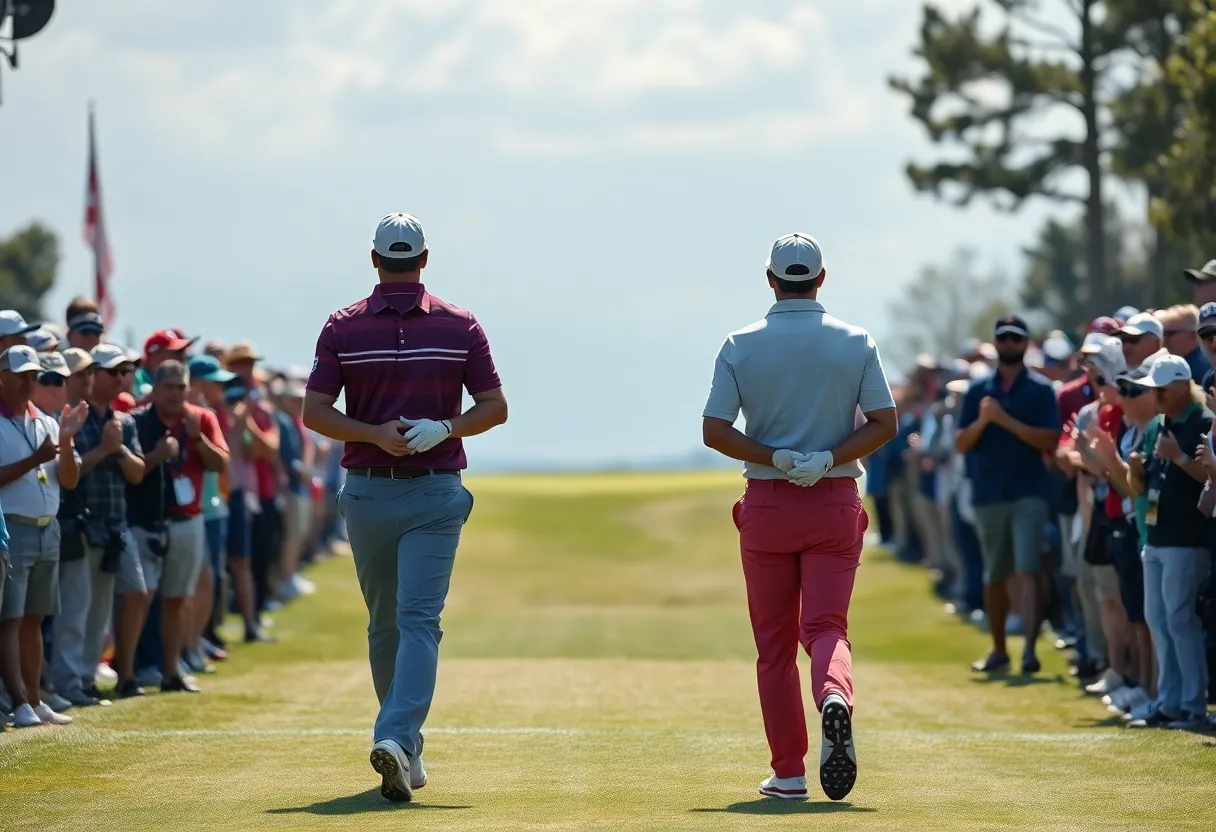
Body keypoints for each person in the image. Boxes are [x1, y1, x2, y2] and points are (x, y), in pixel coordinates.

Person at [302, 212, 508, 803]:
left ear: (374, 260)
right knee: (407, 622)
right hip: (419, 486)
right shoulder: (458, 323)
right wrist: (443, 426)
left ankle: (393, 734)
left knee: (397, 621)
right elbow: (494, 407)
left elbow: (315, 413)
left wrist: (386, 432)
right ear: (424, 259)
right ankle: (406, 744)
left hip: (387, 490)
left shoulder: (344, 325)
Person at [701, 233, 897, 802]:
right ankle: (834, 693)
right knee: (826, 627)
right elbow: (884, 422)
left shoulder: (740, 344)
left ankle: (789, 772)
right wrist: (828, 457)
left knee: (774, 644)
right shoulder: (855, 341)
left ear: (770, 280)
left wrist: (777, 457)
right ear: (821, 278)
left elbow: (715, 431)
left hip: (767, 502)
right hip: (835, 498)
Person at [957, 316, 1061, 675]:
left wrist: (1004, 421)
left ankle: (1030, 650)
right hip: (989, 492)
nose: (1010, 343)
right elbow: (961, 443)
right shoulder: (977, 391)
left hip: (1029, 490)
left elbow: (1050, 440)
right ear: (996, 341)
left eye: (1017, 338)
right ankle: (999, 650)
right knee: (995, 573)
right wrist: (985, 421)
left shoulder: (1042, 390)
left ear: (1026, 343)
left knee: (1028, 568)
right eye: (1004, 337)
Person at [127, 361, 228, 693]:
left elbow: (221, 464)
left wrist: (198, 440)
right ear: (155, 390)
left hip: (188, 519)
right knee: (140, 597)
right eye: (168, 387)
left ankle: (171, 671)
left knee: (177, 597)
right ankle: (128, 673)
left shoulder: (201, 418)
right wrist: (158, 454)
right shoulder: (138, 421)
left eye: (181, 387)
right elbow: (133, 471)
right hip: (146, 520)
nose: (175, 394)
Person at [0, 346, 86, 727]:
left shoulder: (48, 423)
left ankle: (33, 699)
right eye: (21, 375)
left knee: (34, 619)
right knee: (11, 620)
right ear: (1, 377)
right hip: (12, 527)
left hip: (46, 528)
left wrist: (65, 445)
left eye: (33, 375)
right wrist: (36, 459)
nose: (29, 382)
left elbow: (68, 479)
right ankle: (17, 701)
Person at [1126, 354, 1213, 730]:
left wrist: (1177, 456)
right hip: (1157, 535)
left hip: (1186, 537)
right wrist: (1133, 470)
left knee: (1180, 620)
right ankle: (1169, 700)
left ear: (1181, 386)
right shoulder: (1159, 422)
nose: (1156, 396)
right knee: (1159, 619)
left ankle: (1192, 705)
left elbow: (1208, 476)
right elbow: (1143, 484)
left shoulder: (1203, 422)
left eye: (1161, 389)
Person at [75, 344, 148, 699]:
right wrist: (103, 450)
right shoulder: (75, 417)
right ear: (93, 376)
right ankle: (78, 679)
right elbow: (69, 473)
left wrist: (116, 448)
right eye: (113, 372)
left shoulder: (123, 422)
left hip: (116, 524)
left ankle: (109, 673)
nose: (122, 377)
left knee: (129, 594)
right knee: (85, 606)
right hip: (86, 523)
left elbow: (137, 473)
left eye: (124, 372)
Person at [47, 348, 107, 707]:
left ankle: (73, 680)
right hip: (55, 521)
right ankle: (56, 684)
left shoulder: (84, 416)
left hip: (73, 524)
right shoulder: (52, 419)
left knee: (76, 609)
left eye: (88, 374)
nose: (86, 380)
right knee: (45, 615)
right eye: (77, 375)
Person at [1156, 305, 1211, 382]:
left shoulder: (1201, 368)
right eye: (1163, 334)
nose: (1164, 341)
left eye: (1169, 334)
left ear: (1192, 334)